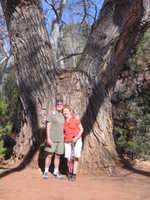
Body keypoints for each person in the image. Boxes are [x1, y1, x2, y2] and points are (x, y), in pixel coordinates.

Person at [43, 99, 64, 179]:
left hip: (61, 139)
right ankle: (46, 171)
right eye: (58, 104)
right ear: (56, 105)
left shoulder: (63, 115)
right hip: (52, 138)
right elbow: (48, 126)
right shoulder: (51, 114)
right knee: (49, 155)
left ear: (62, 106)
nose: (59, 105)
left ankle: (56, 171)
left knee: (58, 156)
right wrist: (48, 138)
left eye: (61, 104)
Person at [63, 105, 83, 181]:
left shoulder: (75, 119)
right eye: (64, 111)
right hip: (67, 141)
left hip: (76, 141)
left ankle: (74, 174)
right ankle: (70, 171)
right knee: (69, 158)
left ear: (69, 111)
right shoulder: (64, 122)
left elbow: (81, 129)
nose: (65, 112)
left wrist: (77, 137)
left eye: (66, 111)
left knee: (75, 157)